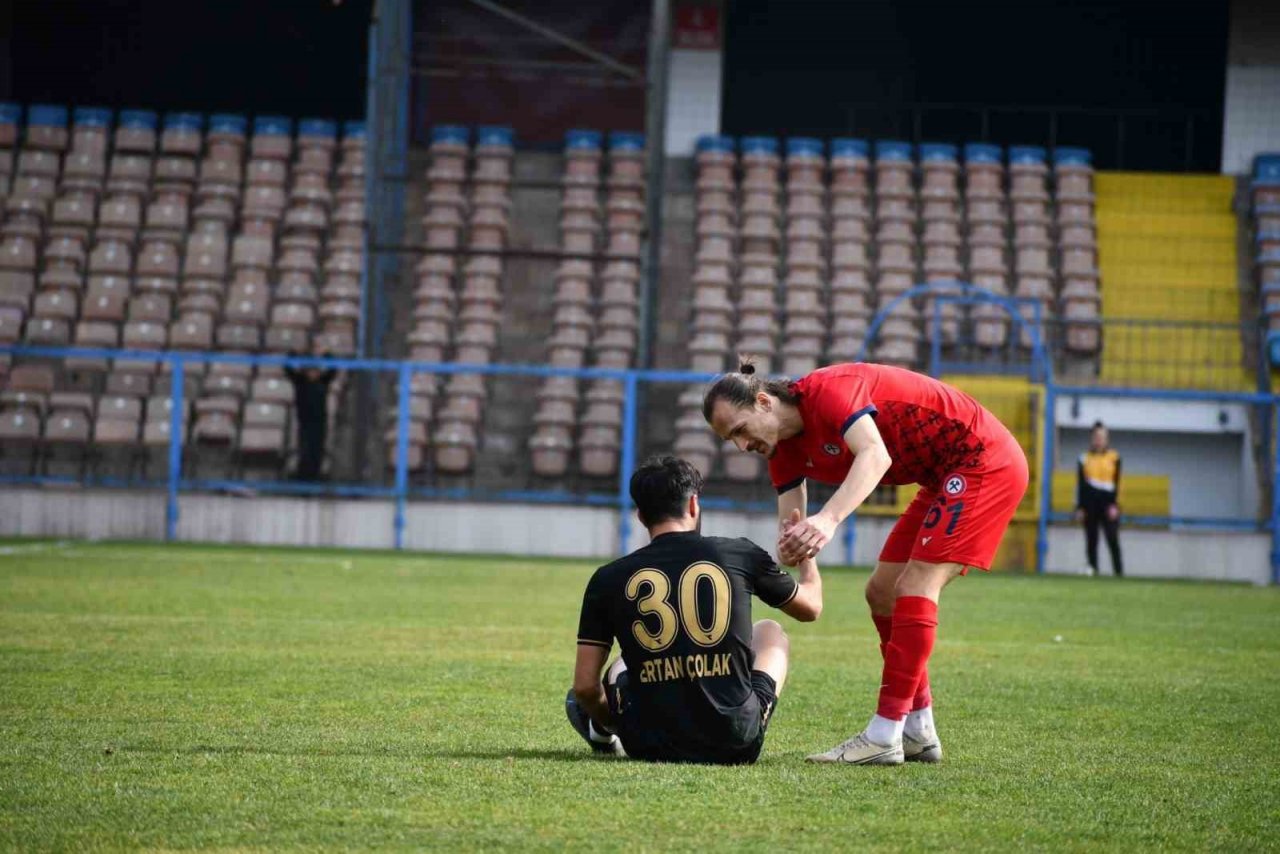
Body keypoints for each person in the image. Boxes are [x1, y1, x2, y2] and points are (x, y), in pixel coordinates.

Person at [703, 360, 1029, 766]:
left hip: (982, 460)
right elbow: (793, 525)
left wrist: (829, 519)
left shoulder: (831, 392)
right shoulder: (782, 451)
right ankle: (917, 729)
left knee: (914, 586)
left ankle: (884, 732)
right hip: (943, 476)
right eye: (730, 440)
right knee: (881, 593)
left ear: (764, 402)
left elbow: (875, 456)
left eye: (739, 430)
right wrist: (796, 552)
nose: (740, 446)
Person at [566, 455, 823, 764]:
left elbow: (584, 687)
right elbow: (810, 608)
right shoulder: (740, 553)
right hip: (735, 742)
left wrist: (616, 723)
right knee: (770, 631)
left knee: (622, 663)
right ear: (693, 505)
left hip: (647, 744)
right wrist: (806, 555)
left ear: (641, 516)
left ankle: (601, 731)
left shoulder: (607, 577)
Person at [1075, 420, 1123, 577]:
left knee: (1112, 539)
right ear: (1091, 438)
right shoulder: (1084, 458)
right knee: (1091, 539)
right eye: (1096, 436)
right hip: (1090, 505)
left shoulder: (1114, 458)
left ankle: (1118, 572)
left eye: (1102, 436)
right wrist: (1080, 507)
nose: (1099, 440)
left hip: (1108, 505)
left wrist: (1115, 505)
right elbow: (1081, 485)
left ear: (1107, 439)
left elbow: (1118, 483)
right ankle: (1093, 568)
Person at [284, 353, 337, 481]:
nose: (313, 373)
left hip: (319, 423)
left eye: (315, 371)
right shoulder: (300, 381)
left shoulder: (323, 382)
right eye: (310, 371)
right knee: (304, 450)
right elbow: (287, 367)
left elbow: (334, 368)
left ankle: (315, 477)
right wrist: (295, 352)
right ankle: (302, 478)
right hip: (304, 422)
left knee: (317, 451)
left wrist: (326, 354)